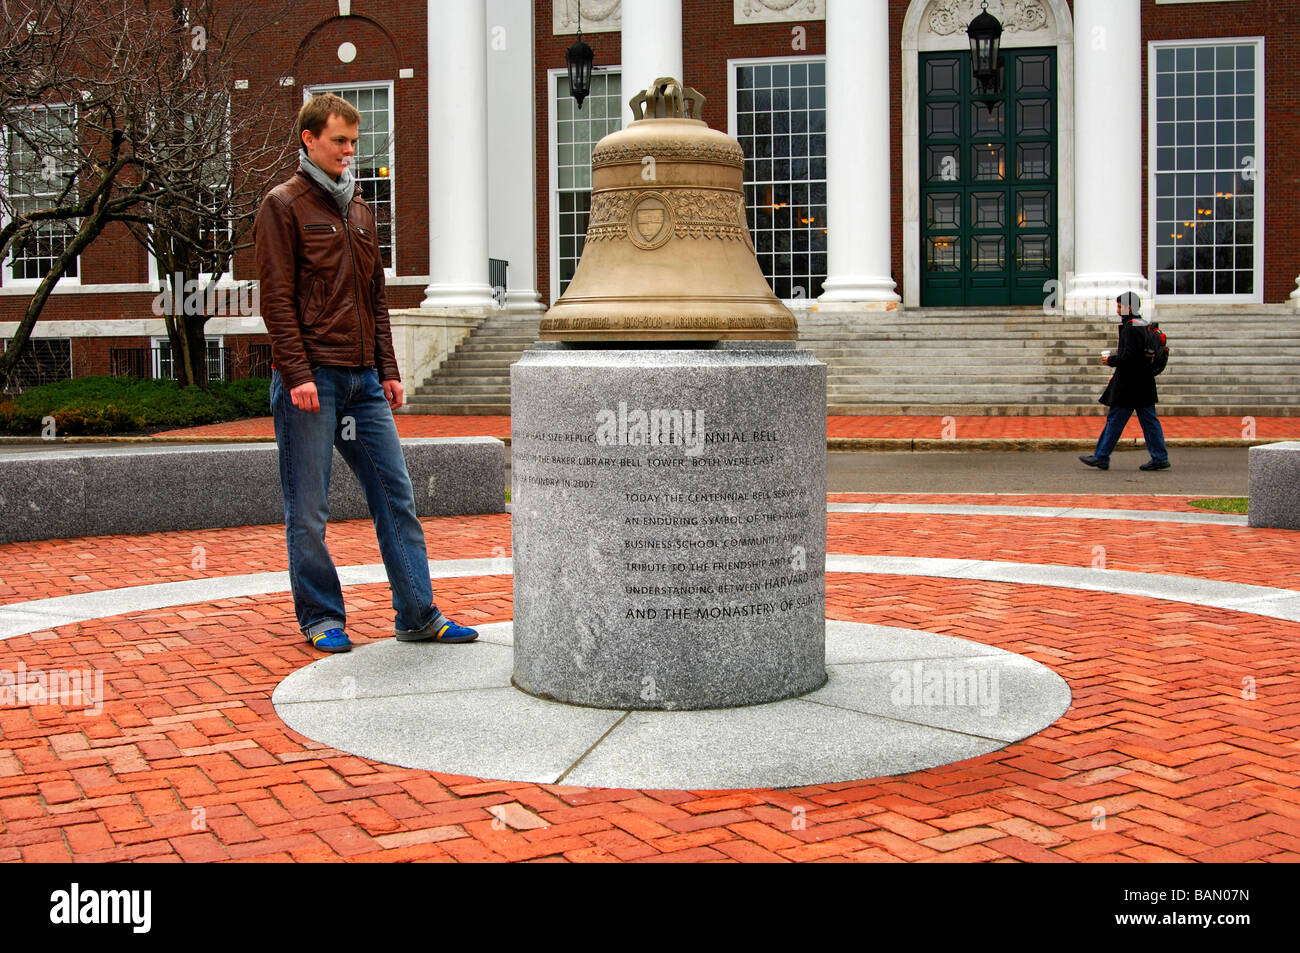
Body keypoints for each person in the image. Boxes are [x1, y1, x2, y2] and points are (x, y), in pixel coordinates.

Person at [255, 93, 478, 652]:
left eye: (354, 142)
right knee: (308, 508)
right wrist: (298, 372)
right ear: (309, 139)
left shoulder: (358, 210)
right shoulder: (283, 205)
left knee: (395, 496)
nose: (350, 151)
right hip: (312, 381)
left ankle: (417, 614)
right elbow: (277, 299)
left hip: (363, 383)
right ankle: (322, 617)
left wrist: (388, 367)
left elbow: (374, 299)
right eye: (339, 141)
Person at [1079, 291, 1171, 472]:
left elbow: (1129, 357)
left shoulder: (1130, 327)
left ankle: (1101, 456)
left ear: (1129, 307)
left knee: (1115, 420)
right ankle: (1159, 457)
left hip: (1129, 385)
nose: (1118, 309)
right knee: (1149, 421)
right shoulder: (1145, 324)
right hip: (1144, 382)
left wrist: (1110, 361)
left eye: (1120, 306)